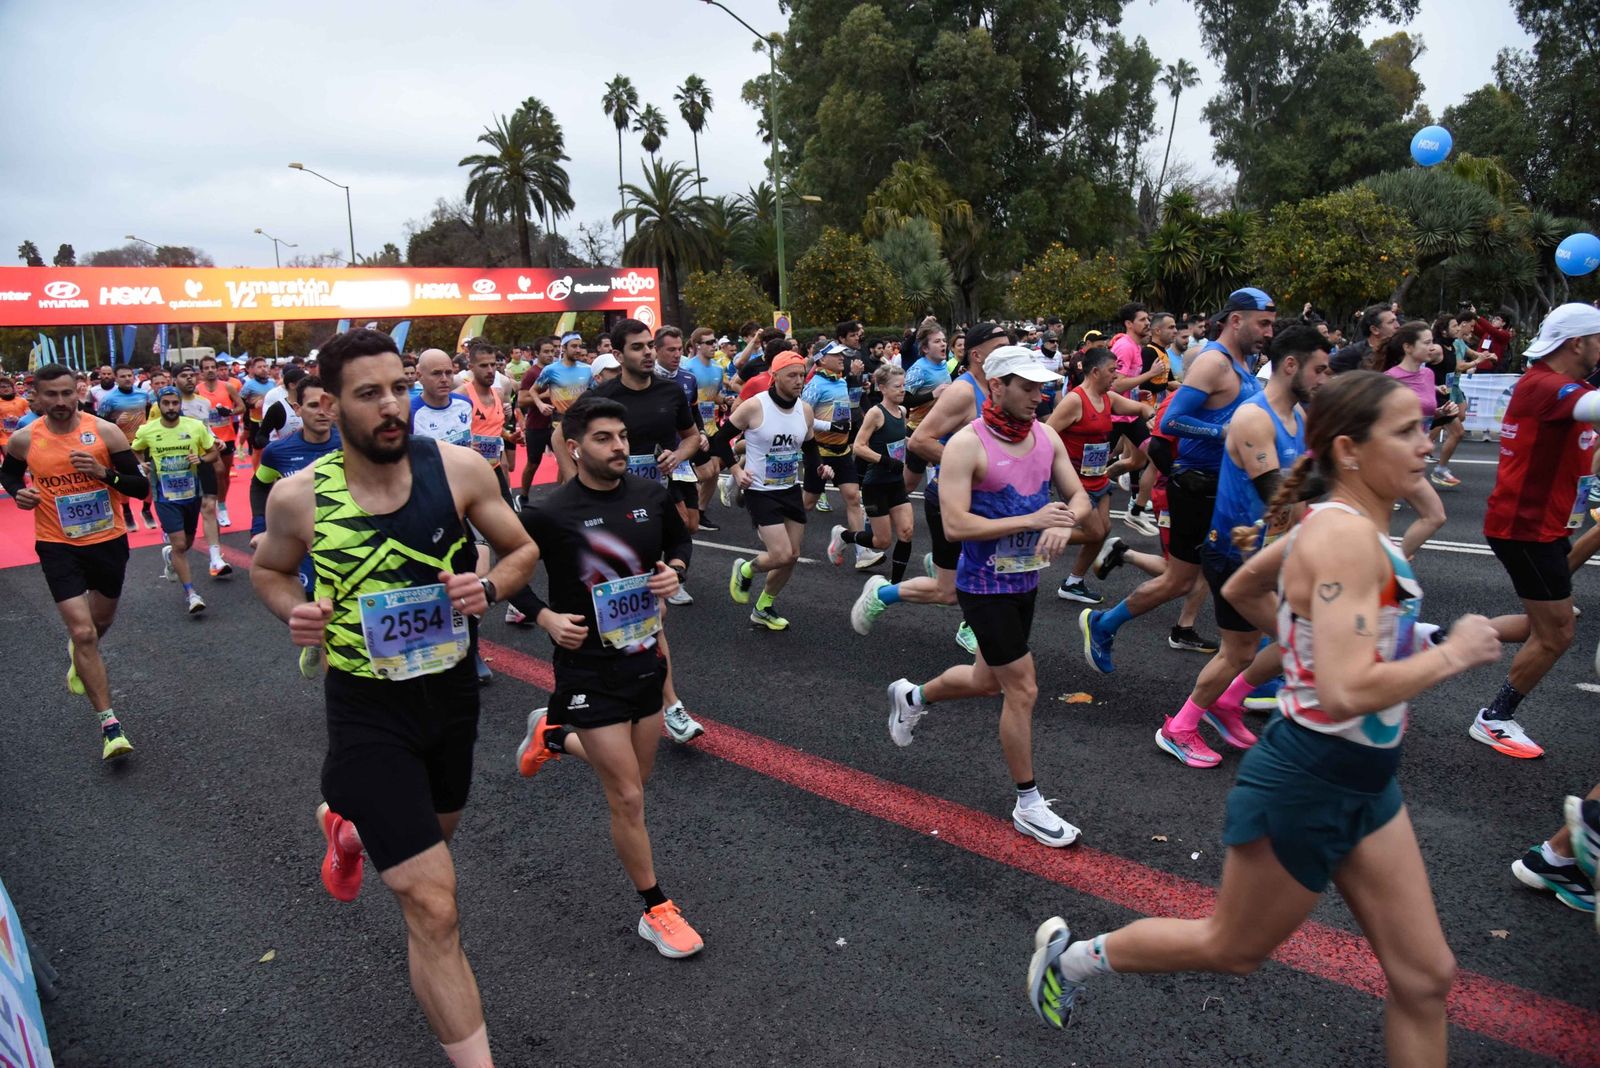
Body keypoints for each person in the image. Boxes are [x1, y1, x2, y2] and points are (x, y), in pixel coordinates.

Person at [1027, 371, 1503, 1068]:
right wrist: (1453, 653)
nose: (1425, 444)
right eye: (1405, 432)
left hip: (1367, 781)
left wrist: (1314, 646)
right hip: (1309, 778)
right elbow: (1343, 693)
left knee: (1425, 979)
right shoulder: (1344, 538)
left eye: (1422, 427)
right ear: (1348, 450)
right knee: (1232, 947)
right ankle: (1070, 964)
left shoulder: (1345, 527)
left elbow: (1248, 586)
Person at [250, 328, 536, 1068]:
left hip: (449, 701)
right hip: (367, 708)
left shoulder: (460, 469)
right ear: (329, 404)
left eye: (398, 388)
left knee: (433, 852)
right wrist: (295, 611)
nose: (390, 407)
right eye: (368, 393)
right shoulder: (299, 497)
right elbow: (269, 573)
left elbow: (521, 548)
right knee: (433, 903)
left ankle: (346, 832)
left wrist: (490, 586)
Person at [509, 394, 704, 958]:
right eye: (603, 438)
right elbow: (501, 568)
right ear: (574, 447)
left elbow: (680, 540)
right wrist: (543, 614)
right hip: (586, 666)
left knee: (635, 781)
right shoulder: (548, 512)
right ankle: (656, 908)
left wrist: (675, 571)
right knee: (626, 796)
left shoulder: (649, 493)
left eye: (621, 436)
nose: (619, 445)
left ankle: (553, 735)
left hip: (644, 658)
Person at [886, 347, 1092, 848]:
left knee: (984, 681)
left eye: (1042, 387)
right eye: (1027, 387)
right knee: (1021, 688)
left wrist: (1067, 518)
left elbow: (1080, 494)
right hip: (982, 585)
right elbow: (955, 526)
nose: (1039, 398)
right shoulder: (965, 444)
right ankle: (1029, 804)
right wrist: (1032, 519)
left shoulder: (1045, 437)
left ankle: (911, 696)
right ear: (996, 386)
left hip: (1025, 581)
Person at [1157, 324, 1332, 768]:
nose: (1324, 380)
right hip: (1234, 554)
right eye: (1320, 370)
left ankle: (1227, 703)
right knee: (1285, 641)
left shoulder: (1301, 417)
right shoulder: (1254, 417)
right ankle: (1180, 726)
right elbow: (1278, 489)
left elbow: (1306, 489)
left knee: (1261, 645)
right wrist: (1350, 474)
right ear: (1290, 365)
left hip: (1273, 552)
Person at [1080, 289, 1274, 674]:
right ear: (1237, 320)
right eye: (1263, 323)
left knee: (1187, 581)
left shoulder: (1245, 361)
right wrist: (1226, 433)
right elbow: (1172, 422)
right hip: (1199, 488)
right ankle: (1257, 676)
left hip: (1229, 487)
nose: (1269, 331)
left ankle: (1104, 624)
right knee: (1240, 577)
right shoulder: (1213, 363)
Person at [552, 320, 704, 741]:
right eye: (637, 348)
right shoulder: (602, 396)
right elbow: (559, 434)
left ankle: (654, 700)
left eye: (649, 346)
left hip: (649, 507)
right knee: (643, 611)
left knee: (648, 610)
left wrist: (678, 454)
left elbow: (693, 436)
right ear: (618, 356)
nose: (648, 354)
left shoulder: (672, 391)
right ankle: (664, 703)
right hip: (604, 512)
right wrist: (572, 484)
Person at [1, 363, 149, 760]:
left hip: (107, 540)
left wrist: (104, 473)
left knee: (100, 624)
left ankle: (80, 658)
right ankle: (110, 726)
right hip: (56, 543)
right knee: (83, 634)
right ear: (36, 395)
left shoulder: (104, 431)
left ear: (78, 390)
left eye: (68, 393)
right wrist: (20, 493)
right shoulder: (24, 439)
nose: (62, 401)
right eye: (52, 395)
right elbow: (10, 476)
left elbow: (140, 486)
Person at [1475, 303, 1600, 759]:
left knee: (1545, 623)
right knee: (1557, 633)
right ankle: (1495, 718)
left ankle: (1435, 639)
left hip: (1541, 526)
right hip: (1524, 528)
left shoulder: (1561, 386)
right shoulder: (1548, 386)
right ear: (1578, 343)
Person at [715, 352, 828, 631]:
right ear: (775, 376)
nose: (799, 381)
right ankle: (745, 569)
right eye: (792, 375)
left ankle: (763, 607)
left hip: (789, 488)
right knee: (780, 554)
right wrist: (737, 471)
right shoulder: (755, 407)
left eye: (802, 375)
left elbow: (811, 449)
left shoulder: (805, 410)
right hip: (759, 490)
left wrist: (822, 471)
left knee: (792, 556)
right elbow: (718, 440)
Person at [251, 375, 342, 678]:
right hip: (302, 546)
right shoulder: (278, 452)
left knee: (337, 617)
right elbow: (260, 486)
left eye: (326, 405)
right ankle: (318, 643)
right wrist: (259, 528)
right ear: (297, 408)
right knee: (319, 612)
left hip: (345, 543)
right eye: (313, 405)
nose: (321, 412)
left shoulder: (349, 444)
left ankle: (341, 691)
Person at [1046, 347, 1150, 605]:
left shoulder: (1109, 398)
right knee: (1094, 532)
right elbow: (1046, 435)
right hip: (1074, 478)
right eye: (1112, 371)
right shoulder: (1075, 400)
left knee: (1103, 531)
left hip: (1097, 476)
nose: (1116, 376)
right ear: (1094, 372)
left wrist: (1150, 413)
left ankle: (1073, 583)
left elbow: (1137, 408)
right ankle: (1035, 535)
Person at [132, 387, 221, 614]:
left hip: (191, 493)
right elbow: (134, 449)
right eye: (166, 404)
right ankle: (191, 594)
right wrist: (140, 463)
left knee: (186, 543)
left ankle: (171, 555)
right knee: (180, 544)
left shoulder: (195, 426)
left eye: (175, 403)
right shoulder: (148, 430)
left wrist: (200, 458)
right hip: (165, 496)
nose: (171, 408)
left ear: (180, 404)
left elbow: (214, 453)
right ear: (158, 405)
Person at [832, 363, 914, 584]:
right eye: (897, 386)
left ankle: (895, 585)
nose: (902, 390)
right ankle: (843, 535)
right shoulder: (876, 414)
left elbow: (897, 440)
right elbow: (859, 446)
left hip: (896, 482)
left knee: (906, 531)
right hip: (875, 485)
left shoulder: (903, 411)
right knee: (882, 541)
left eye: (903, 385)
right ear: (882, 388)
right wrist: (885, 461)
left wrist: (916, 445)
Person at [1381, 323, 1453, 559]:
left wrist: (1441, 413)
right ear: (1408, 347)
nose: (1432, 347)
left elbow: (1425, 414)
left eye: (1432, 341)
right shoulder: (1390, 379)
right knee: (1379, 527)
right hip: (1392, 458)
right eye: (1426, 342)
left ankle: (1394, 566)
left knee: (1436, 516)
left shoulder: (1428, 374)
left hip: (1415, 456)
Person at [96, 365, 156, 531]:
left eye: (130, 375)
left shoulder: (143, 395)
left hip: (143, 442)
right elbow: (97, 423)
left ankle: (146, 510)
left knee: (150, 477)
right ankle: (127, 512)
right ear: (116, 378)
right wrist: (116, 422)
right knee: (125, 479)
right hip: (121, 446)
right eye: (123, 376)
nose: (127, 379)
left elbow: (150, 413)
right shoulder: (109, 399)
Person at [195, 356, 243, 527]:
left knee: (223, 475)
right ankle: (211, 504)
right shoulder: (196, 390)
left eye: (212, 367)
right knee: (214, 472)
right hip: (206, 439)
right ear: (201, 371)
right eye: (206, 367)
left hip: (227, 436)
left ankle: (222, 506)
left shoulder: (228, 387)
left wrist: (229, 412)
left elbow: (241, 407)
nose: (210, 370)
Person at [514, 336, 558, 509]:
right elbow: (522, 401)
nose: (550, 355)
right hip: (536, 426)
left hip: (556, 424)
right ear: (537, 353)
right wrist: (545, 396)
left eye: (552, 351)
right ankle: (523, 497)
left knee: (565, 460)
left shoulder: (557, 370)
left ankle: (561, 496)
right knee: (533, 463)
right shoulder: (532, 373)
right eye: (546, 352)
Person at [534, 333, 594, 415]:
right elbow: (533, 390)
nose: (578, 350)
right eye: (574, 346)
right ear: (564, 348)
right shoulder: (550, 370)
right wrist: (540, 404)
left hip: (583, 419)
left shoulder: (588, 369)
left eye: (580, 346)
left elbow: (594, 392)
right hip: (560, 420)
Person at [1330, 303, 1397, 375]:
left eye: (1396, 320)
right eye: (1391, 322)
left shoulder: (1399, 350)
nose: (1397, 325)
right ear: (1374, 330)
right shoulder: (1353, 353)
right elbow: (1325, 370)